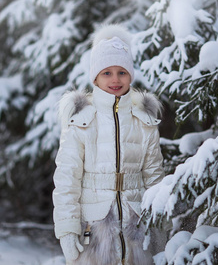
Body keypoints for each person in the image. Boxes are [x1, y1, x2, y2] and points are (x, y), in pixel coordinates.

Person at [52, 24, 164, 265]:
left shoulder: (144, 121)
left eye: (122, 72)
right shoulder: (81, 121)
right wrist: (68, 228)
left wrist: (159, 228)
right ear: (95, 77)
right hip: (93, 232)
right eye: (107, 73)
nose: (115, 80)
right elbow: (66, 179)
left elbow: (155, 177)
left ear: (130, 75)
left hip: (135, 232)